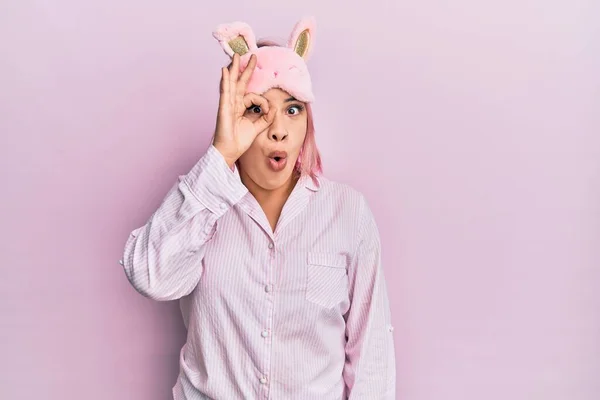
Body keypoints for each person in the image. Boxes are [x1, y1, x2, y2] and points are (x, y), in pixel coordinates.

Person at [120, 16, 396, 400]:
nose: (278, 129)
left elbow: (372, 358)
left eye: (293, 109)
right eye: (257, 110)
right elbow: (149, 276)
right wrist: (222, 154)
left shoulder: (348, 212)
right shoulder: (205, 207)